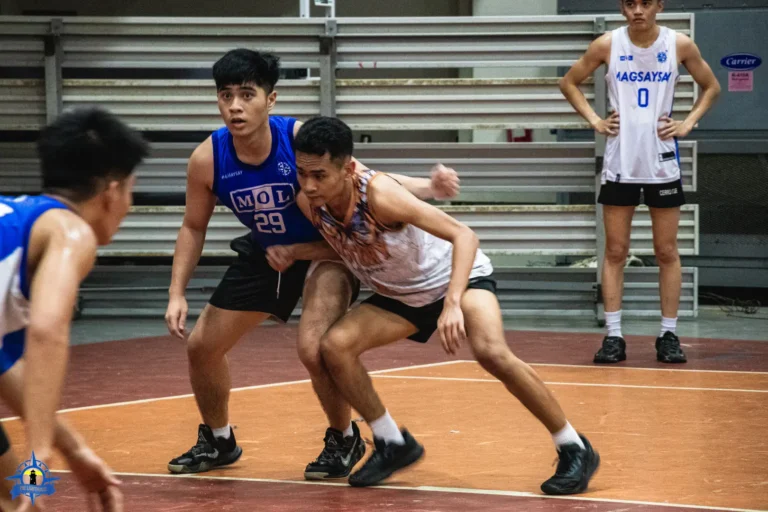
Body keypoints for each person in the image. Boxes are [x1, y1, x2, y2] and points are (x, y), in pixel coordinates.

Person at [164, 48, 460, 480]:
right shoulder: (207, 159)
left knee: (313, 347)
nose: (234, 106)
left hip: (328, 250)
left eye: (247, 95)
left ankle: (343, 439)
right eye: (225, 95)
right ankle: (219, 438)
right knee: (202, 346)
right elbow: (193, 226)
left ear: (271, 100)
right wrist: (176, 292)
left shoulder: (298, 139)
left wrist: (427, 187)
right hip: (268, 251)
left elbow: (362, 176)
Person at [291, 116, 600, 494]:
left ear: (348, 168)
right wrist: (291, 250)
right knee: (334, 347)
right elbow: (346, 237)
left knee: (490, 352)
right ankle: (392, 442)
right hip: (402, 294)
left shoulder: (380, 195)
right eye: (302, 173)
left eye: (319, 175)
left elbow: (463, 235)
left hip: (458, 278)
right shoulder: (311, 201)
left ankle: (573, 446)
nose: (309, 184)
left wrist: (453, 303)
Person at [0, 106, 150, 511]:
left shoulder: (15, 221)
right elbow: (47, 332)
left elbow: (6, 372)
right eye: (132, 191)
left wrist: (74, 450)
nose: (129, 206)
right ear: (112, 191)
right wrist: (38, 459)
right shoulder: (69, 230)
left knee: (14, 494)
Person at [559, 0, 720, 364]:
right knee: (615, 251)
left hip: (662, 162)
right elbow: (568, 82)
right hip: (621, 162)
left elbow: (711, 87)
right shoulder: (607, 44)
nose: (638, 10)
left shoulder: (679, 44)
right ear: (622, 7)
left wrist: (688, 123)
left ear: (659, 5)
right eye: (630, 3)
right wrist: (596, 121)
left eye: (645, 2)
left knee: (667, 251)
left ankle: (668, 334)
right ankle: (614, 336)